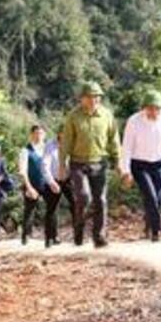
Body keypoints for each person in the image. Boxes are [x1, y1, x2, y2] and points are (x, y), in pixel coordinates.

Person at [60, 81, 126, 248]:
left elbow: (114, 140)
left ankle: (99, 236)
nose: (93, 100)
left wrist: (118, 161)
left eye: (96, 97)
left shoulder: (106, 115)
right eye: (89, 97)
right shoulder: (73, 116)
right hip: (78, 163)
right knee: (83, 197)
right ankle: (79, 231)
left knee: (101, 200)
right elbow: (66, 142)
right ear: (81, 99)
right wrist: (62, 164)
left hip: (100, 163)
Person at [121, 89, 161, 242]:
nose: (154, 112)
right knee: (150, 196)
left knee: (160, 199)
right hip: (139, 165)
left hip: (159, 163)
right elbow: (126, 147)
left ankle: (148, 225)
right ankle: (157, 231)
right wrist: (126, 171)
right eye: (151, 108)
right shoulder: (134, 121)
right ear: (144, 108)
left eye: (158, 108)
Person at [19, 125, 62, 246]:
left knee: (53, 210)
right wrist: (28, 187)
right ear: (31, 134)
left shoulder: (49, 148)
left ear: (45, 135)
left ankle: (54, 235)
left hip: (48, 183)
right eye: (36, 133)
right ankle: (26, 235)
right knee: (29, 210)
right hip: (32, 184)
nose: (39, 135)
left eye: (41, 133)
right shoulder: (25, 150)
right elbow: (23, 170)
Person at [42, 130, 74, 245]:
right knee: (52, 208)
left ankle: (78, 235)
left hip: (68, 178)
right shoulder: (50, 145)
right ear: (59, 133)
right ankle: (51, 237)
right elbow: (45, 164)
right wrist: (51, 182)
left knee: (76, 205)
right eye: (63, 132)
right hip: (54, 178)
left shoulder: (72, 143)